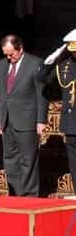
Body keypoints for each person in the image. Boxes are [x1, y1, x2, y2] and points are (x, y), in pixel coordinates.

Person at [0, 34, 46, 197]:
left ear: (20, 48)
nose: (9, 58)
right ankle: (16, 195)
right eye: (6, 54)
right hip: (8, 120)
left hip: (27, 120)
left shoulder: (35, 63)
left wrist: (41, 120)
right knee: (10, 159)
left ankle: (30, 196)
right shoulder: (2, 64)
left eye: (12, 54)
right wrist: (0, 119)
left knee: (28, 160)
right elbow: (1, 93)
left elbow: (41, 93)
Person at [38, 29, 76, 195]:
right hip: (71, 124)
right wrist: (50, 61)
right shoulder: (65, 66)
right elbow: (41, 78)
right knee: (74, 163)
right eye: (72, 51)